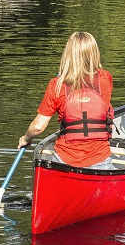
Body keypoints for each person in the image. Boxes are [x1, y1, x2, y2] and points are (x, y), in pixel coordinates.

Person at [18, 31, 115, 169]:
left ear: (68, 55)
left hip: (65, 158)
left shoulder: (56, 85)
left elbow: (39, 126)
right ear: (94, 53)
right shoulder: (106, 78)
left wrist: (26, 138)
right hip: (100, 158)